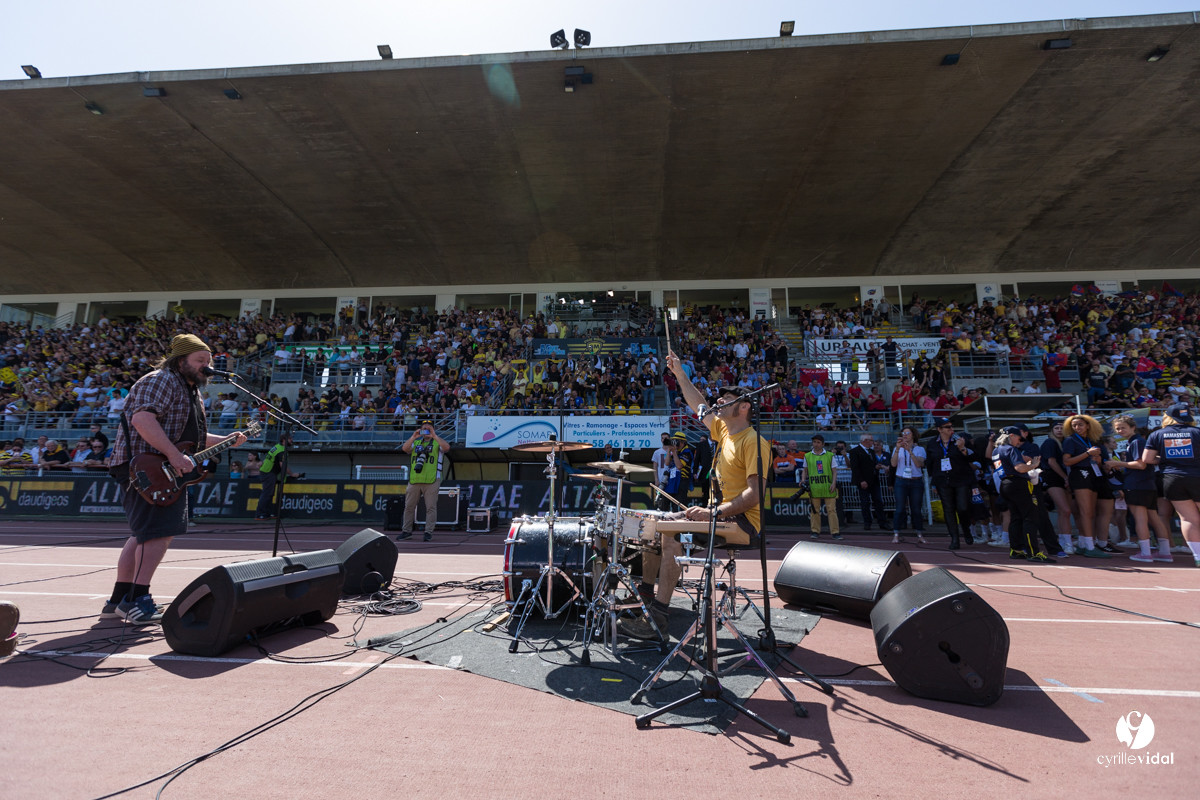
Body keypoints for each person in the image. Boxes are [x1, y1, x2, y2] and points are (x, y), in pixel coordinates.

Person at [105, 334, 250, 624]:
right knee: (158, 532)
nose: (206, 367)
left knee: (143, 534)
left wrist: (225, 439)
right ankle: (137, 599)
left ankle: (120, 599)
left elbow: (191, 438)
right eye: (199, 361)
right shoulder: (161, 380)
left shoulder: (191, 389)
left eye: (208, 362)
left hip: (156, 467)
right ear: (180, 359)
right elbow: (142, 420)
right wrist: (173, 455)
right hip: (147, 468)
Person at [618, 350, 763, 641]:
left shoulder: (753, 441)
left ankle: (658, 618)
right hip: (718, 515)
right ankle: (646, 599)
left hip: (742, 522)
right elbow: (700, 406)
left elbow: (754, 494)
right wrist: (680, 374)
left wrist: (714, 513)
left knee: (670, 534)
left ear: (745, 406)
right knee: (652, 526)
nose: (719, 401)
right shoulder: (723, 433)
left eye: (728, 398)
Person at [1106, 415, 1173, 563]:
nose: (1120, 430)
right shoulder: (1136, 442)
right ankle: (1165, 552)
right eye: (1117, 428)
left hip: (1137, 484)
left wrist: (1116, 464)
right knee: (1154, 518)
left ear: (1132, 427)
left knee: (1140, 518)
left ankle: (1145, 552)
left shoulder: (1137, 442)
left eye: (1123, 427)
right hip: (1147, 484)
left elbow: (1140, 464)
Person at [1141, 403, 1200, 567]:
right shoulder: (1197, 432)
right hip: (1196, 475)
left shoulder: (1157, 434)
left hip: (1171, 478)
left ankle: (1198, 557)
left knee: (1188, 519)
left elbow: (1147, 459)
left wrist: (1166, 459)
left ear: (1168, 417)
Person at [991, 426, 1055, 563]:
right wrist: (1033, 465)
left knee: (1016, 518)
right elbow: (1019, 468)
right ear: (1012, 436)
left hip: (1005, 484)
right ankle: (1033, 552)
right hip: (1018, 484)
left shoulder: (996, 450)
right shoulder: (1010, 449)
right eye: (1019, 438)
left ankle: (1016, 549)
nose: (1020, 442)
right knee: (1030, 517)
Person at [1062, 414, 1116, 558]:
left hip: (1092, 475)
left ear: (1088, 425)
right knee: (1086, 512)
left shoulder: (1090, 440)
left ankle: (1082, 544)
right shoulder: (1070, 440)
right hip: (1080, 475)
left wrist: (1097, 459)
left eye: (1080, 424)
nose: (1077, 427)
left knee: (1090, 512)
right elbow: (1067, 461)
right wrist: (1087, 454)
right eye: (1074, 425)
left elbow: (1098, 462)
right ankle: (1090, 546)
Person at [924, 418, 977, 549]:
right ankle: (954, 538)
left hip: (961, 479)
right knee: (948, 509)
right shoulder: (932, 444)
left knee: (962, 507)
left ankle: (966, 529)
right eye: (947, 427)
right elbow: (930, 464)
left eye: (951, 427)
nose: (951, 429)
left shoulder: (960, 440)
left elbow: (973, 458)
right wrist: (934, 483)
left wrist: (962, 448)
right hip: (942, 480)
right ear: (939, 429)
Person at [397, 420, 449, 541]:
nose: (426, 430)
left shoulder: (437, 442)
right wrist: (413, 436)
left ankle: (428, 532)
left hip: (431, 480)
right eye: (424, 428)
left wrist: (434, 436)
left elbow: (446, 447)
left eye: (428, 428)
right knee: (409, 507)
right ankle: (406, 531)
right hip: (415, 479)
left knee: (430, 507)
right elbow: (405, 449)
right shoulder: (416, 442)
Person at [890, 426, 927, 544]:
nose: (905, 435)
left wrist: (909, 451)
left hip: (915, 480)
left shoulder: (920, 449)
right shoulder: (898, 449)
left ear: (913, 435)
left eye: (908, 433)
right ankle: (896, 533)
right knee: (900, 508)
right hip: (901, 480)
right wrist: (897, 449)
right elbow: (893, 464)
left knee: (916, 508)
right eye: (903, 433)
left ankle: (919, 533)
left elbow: (919, 464)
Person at [256, 431, 303, 520]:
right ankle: (260, 514)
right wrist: (292, 474)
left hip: (269, 472)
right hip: (268, 472)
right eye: (290, 439)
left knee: (270, 494)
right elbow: (283, 466)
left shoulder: (278, 447)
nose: (292, 441)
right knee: (267, 494)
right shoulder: (281, 450)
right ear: (283, 440)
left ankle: (267, 513)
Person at [801, 434, 841, 540]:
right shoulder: (807, 455)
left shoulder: (830, 455)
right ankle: (815, 531)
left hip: (828, 487)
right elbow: (805, 470)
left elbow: (834, 471)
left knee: (832, 510)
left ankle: (835, 532)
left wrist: (834, 483)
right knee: (815, 511)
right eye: (814, 442)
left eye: (818, 442)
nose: (816, 444)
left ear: (823, 444)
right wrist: (802, 480)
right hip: (814, 487)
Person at [848, 434, 886, 530]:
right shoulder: (854, 452)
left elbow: (871, 465)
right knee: (865, 502)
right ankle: (867, 522)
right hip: (863, 481)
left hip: (874, 480)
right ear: (865, 441)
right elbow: (855, 468)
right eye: (871, 441)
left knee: (878, 501)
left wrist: (876, 467)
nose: (873, 443)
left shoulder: (871, 452)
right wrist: (861, 480)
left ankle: (882, 522)